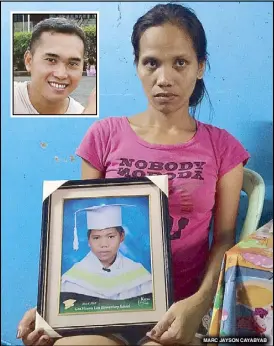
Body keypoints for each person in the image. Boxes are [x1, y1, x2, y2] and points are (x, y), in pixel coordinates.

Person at [17, 3, 250, 346]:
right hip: (103, 307)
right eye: (151, 62)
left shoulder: (223, 148)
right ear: (138, 66)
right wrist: (53, 304)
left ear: (200, 67)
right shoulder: (104, 136)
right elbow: (76, 232)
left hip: (178, 313)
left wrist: (196, 305)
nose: (164, 78)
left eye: (180, 63)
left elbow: (225, 241)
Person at [61, 204, 152, 301]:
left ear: (122, 236)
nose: (104, 245)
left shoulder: (139, 275)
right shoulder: (72, 279)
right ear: (88, 240)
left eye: (111, 237)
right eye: (96, 238)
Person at [14, 17, 87, 115]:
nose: (61, 74)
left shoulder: (83, 117)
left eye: (72, 64)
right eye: (51, 60)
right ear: (29, 61)